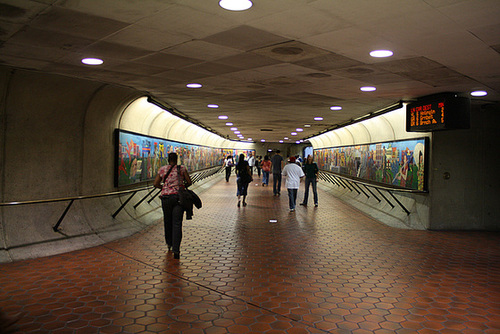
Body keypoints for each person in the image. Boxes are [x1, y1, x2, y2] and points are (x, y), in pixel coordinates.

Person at [154, 152, 192, 260]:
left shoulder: (162, 169)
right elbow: (189, 182)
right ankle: (176, 250)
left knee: (167, 221)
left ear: (168, 159)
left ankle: (169, 244)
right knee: (177, 223)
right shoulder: (182, 169)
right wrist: (182, 186)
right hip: (178, 198)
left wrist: (164, 188)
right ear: (177, 159)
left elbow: (155, 183)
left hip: (166, 199)